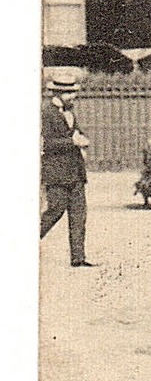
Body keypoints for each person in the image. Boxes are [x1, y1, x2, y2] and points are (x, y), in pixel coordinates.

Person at [41, 68, 93, 267]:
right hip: (57, 173)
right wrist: (73, 142)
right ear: (58, 93)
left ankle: (78, 258)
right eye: (70, 92)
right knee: (55, 211)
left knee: (79, 215)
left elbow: (75, 132)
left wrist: (82, 138)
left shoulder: (70, 112)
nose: (73, 96)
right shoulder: (46, 113)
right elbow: (47, 143)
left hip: (76, 172)